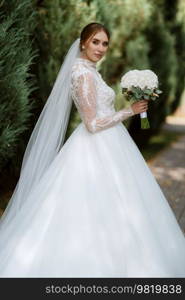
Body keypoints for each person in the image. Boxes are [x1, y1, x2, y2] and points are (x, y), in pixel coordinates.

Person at [0, 22, 185, 278]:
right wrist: (128, 111)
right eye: (95, 42)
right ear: (83, 42)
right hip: (94, 144)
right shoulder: (82, 73)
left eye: (105, 43)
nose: (100, 48)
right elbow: (92, 123)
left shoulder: (89, 70)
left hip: (111, 144)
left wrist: (130, 108)